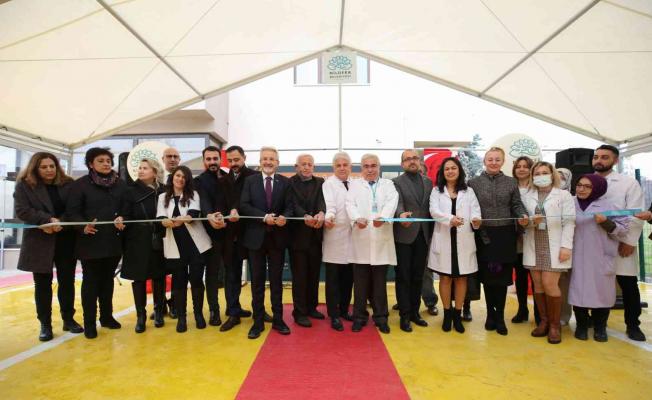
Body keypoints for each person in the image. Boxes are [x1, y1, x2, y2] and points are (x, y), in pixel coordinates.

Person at [14, 152, 82, 341]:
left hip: (65, 238)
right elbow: (22, 210)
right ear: (35, 168)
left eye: (52, 166)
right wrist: (47, 220)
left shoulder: (68, 183)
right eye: (44, 167)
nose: (49, 170)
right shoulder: (24, 185)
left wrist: (61, 223)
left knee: (67, 281)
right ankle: (45, 324)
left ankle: (68, 319)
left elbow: (75, 208)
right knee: (42, 284)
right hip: (39, 239)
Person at [66, 147, 129, 339]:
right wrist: (82, 226)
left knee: (108, 281)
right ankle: (89, 323)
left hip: (113, 242)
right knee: (91, 283)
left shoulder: (120, 184)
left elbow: (126, 207)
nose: (106, 164)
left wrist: (123, 217)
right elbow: (72, 212)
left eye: (108, 160)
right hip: (90, 242)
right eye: (100, 161)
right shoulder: (80, 185)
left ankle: (107, 317)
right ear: (90, 164)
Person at [468, 147, 529, 336]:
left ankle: (500, 317)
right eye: (490, 159)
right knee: (487, 278)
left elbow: (516, 204)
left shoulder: (511, 182)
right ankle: (490, 315)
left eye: (497, 159)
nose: (493, 162)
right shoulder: (473, 183)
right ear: (484, 161)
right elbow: (470, 207)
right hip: (483, 235)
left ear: (503, 162)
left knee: (502, 279)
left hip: (505, 236)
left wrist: (522, 216)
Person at [593, 144, 646, 341]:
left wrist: (630, 241)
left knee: (628, 284)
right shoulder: (587, 182)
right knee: (598, 284)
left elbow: (637, 213)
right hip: (595, 242)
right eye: (596, 157)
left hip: (621, 242)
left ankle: (633, 325)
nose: (599, 160)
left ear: (615, 161)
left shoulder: (628, 183)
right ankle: (598, 324)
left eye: (604, 157)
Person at [240, 146, 294, 339]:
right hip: (255, 239)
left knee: (277, 282)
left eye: (272, 159)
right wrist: (263, 217)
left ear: (277, 163)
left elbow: (290, 206)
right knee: (257, 282)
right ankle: (258, 322)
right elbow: (244, 205)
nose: (268, 162)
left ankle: (278, 319)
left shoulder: (285, 182)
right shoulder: (250, 181)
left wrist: (285, 217)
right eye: (265, 158)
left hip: (277, 239)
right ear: (260, 161)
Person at [522, 161, 575, 344]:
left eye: (545, 172)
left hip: (555, 246)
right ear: (532, 176)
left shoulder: (563, 195)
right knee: (538, 285)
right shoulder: (527, 196)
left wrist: (566, 246)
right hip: (534, 244)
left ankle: (555, 325)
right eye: (537, 173)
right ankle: (544, 321)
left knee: (549, 284)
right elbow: (523, 221)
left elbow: (569, 222)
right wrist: (530, 222)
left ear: (552, 175)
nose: (541, 176)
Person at [570, 174, 628, 342]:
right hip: (576, 256)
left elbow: (624, 230)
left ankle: (600, 327)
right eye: (579, 185)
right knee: (578, 292)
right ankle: (581, 326)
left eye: (587, 186)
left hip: (600, 256)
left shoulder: (610, 205)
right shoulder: (570, 203)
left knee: (602, 293)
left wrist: (606, 222)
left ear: (597, 188)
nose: (581, 189)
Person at [346, 153, 399, 334]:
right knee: (360, 284)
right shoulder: (355, 185)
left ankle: (381, 318)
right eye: (366, 166)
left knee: (379, 284)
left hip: (381, 239)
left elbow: (392, 202)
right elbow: (349, 204)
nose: (370, 169)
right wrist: (356, 218)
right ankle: (359, 317)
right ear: (361, 168)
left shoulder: (388, 184)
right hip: (361, 239)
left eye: (373, 165)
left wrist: (383, 217)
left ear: (379, 167)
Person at [428, 157, 481, 333]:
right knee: (445, 278)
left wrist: (476, 220)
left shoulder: (469, 191)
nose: (450, 171)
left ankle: (458, 314)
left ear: (459, 171)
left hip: (463, 239)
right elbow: (434, 211)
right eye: (447, 169)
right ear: (442, 172)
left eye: (453, 168)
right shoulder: (436, 191)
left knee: (461, 278)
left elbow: (476, 210)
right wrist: (450, 219)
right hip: (444, 238)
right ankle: (447, 314)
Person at [157, 166, 213, 333]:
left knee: (196, 280)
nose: (180, 179)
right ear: (173, 177)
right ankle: (181, 317)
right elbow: (160, 217)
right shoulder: (162, 197)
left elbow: (193, 213)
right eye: (178, 175)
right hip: (175, 245)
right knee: (179, 282)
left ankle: (198, 315)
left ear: (187, 181)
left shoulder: (193, 194)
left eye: (184, 177)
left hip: (195, 245)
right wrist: (164, 222)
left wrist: (185, 218)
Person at [120, 159, 166, 333]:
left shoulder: (164, 190)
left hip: (159, 237)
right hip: (137, 239)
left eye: (145, 168)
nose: (140, 171)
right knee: (138, 278)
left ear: (155, 171)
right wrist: (121, 219)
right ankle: (141, 316)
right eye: (139, 168)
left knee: (159, 276)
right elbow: (125, 214)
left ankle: (159, 312)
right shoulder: (130, 191)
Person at [393, 149, 433, 332]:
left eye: (415, 158)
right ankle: (404, 315)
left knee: (418, 277)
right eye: (408, 159)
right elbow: (398, 203)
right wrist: (401, 214)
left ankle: (415, 313)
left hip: (423, 236)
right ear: (402, 164)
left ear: (420, 161)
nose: (412, 161)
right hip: (404, 234)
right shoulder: (396, 182)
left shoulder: (428, 182)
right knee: (403, 277)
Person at [220, 145, 257, 332]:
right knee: (232, 276)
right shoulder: (223, 180)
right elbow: (221, 203)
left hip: (252, 233)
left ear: (244, 157)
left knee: (257, 276)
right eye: (230, 161)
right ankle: (233, 312)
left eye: (237, 159)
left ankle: (259, 312)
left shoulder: (255, 177)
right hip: (231, 235)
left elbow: (256, 202)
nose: (233, 163)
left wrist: (237, 209)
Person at [288, 154, 326, 327]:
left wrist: (321, 212)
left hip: (316, 236)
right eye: (303, 164)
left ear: (313, 167)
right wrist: (303, 215)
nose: (306, 167)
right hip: (297, 238)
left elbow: (323, 202)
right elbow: (292, 204)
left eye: (309, 164)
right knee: (300, 277)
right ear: (296, 167)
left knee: (313, 275)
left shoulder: (320, 182)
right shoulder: (289, 183)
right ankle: (299, 312)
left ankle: (312, 308)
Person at [194, 146, 229, 327]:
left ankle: (233, 308)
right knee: (212, 273)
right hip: (210, 234)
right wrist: (210, 216)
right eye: (208, 159)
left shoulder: (228, 177)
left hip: (229, 232)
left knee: (231, 272)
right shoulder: (199, 181)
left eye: (215, 158)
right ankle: (214, 310)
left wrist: (227, 219)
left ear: (220, 159)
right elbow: (203, 201)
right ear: (204, 161)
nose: (212, 162)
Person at [323, 152, 355, 331]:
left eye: (345, 165)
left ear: (350, 167)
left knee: (348, 279)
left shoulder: (356, 184)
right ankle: (334, 315)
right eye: (338, 165)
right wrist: (329, 216)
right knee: (333, 280)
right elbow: (330, 206)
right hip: (334, 237)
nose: (342, 168)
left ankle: (344, 310)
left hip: (353, 238)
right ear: (333, 167)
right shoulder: (328, 184)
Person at [512, 156, 534, 323]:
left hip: (535, 236)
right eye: (518, 166)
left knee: (536, 277)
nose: (521, 169)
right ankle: (522, 309)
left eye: (525, 166)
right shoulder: (511, 186)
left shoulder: (537, 188)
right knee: (520, 276)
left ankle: (540, 313)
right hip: (517, 238)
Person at [556, 167, 574, 327]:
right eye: (556, 176)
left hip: (566, 246)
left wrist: (566, 246)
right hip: (546, 245)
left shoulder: (572, 198)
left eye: (563, 177)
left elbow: (570, 223)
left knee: (564, 283)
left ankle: (564, 315)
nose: (559, 179)